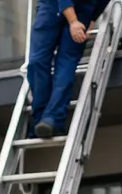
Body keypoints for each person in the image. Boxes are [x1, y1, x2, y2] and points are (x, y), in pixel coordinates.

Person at [26, 0, 110, 139]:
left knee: (66, 63)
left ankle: (52, 118)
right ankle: (41, 117)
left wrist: (90, 17)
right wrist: (73, 20)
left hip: (83, 8)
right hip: (52, 5)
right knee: (37, 62)